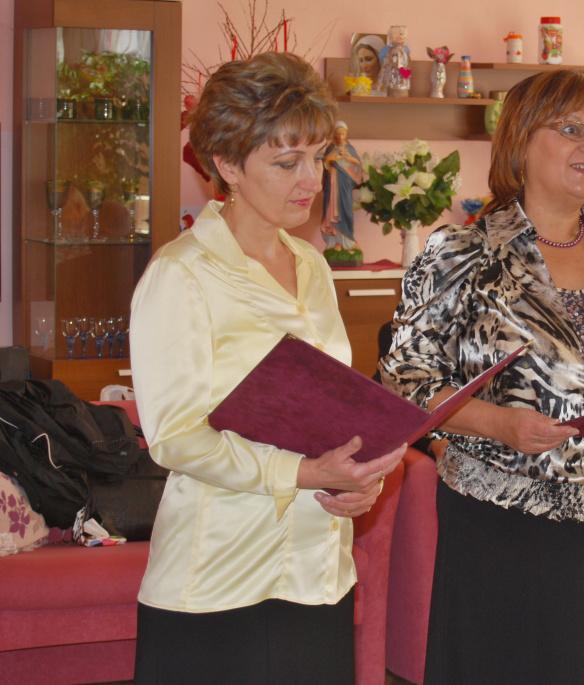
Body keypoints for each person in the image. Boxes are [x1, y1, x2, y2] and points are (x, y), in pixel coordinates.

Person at [379, 69, 584, 685]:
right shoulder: (460, 253)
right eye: (572, 129)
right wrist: (498, 423)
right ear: (522, 139)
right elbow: (404, 382)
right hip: (497, 520)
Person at [129, 52, 404, 684]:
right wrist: (303, 472)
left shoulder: (311, 266)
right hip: (217, 580)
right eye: (287, 163)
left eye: (319, 158)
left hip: (317, 573)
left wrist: (357, 478)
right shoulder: (180, 275)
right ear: (227, 165)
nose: (311, 180)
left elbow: (331, 409)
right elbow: (175, 437)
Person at [321, 120, 363, 250]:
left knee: (345, 210)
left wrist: (348, 158)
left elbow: (358, 166)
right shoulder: (330, 148)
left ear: (346, 134)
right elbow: (324, 165)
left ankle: (347, 241)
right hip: (332, 185)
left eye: (342, 134)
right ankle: (335, 241)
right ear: (334, 134)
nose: (340, 136)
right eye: (338, 134)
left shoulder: (350, 149)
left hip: (345, 185)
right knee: (332, 211)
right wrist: (331, 159)